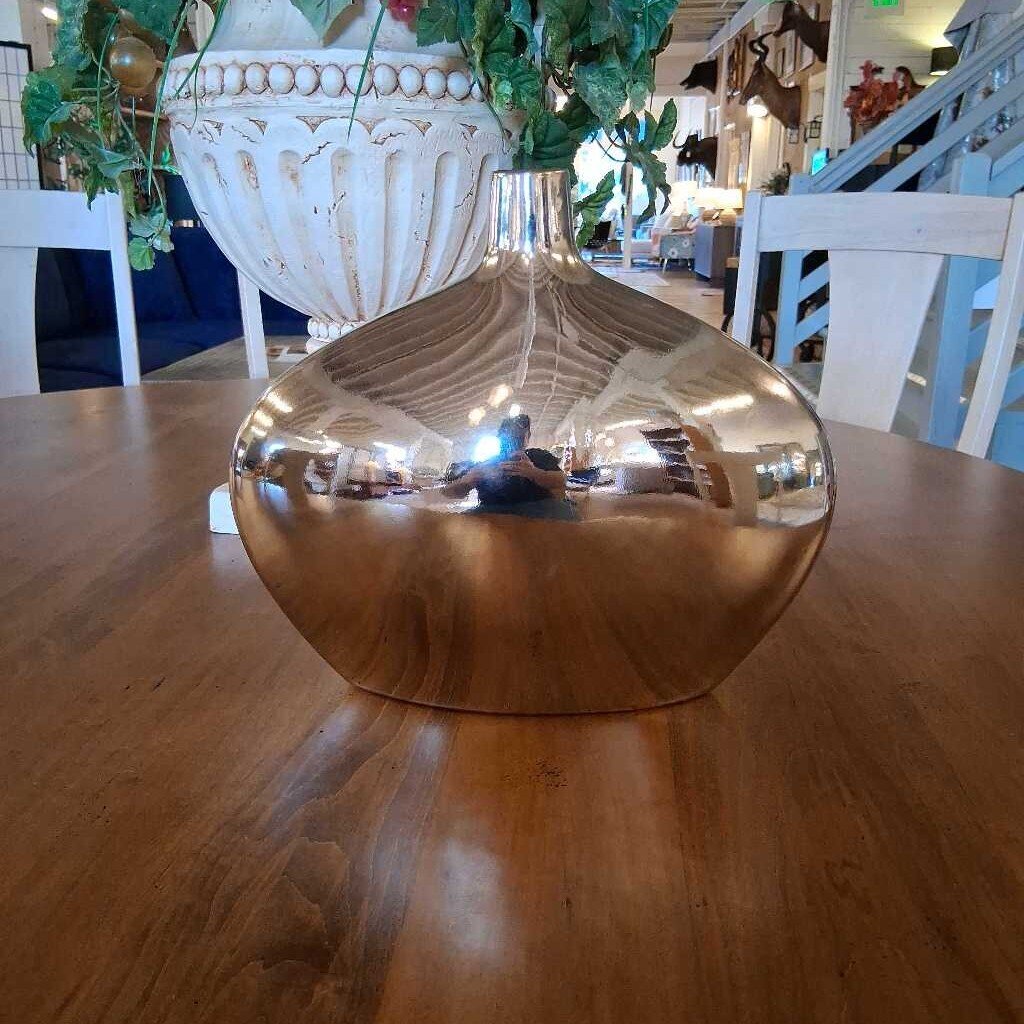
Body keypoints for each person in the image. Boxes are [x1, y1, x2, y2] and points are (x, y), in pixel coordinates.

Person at [442, 414, 570, 514]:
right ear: (499, 438)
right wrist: (471, 478)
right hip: (492, 517)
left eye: (518, 436)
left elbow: (562, 481)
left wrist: (534, 473)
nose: (512, 440)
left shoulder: (537, 456)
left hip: (538, 516)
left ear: (527, 437)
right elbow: (448, 493)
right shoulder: (487, 463)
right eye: (507, 436)